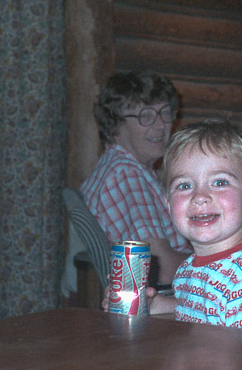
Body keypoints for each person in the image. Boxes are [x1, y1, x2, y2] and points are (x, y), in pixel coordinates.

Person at [146, 118, 242, 335]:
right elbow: (197, 312)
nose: (200, 197)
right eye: (184, 185)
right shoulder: (189, 268)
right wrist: (152, 305)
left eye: (219, 182)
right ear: (168, 205)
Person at [80, 71, 192, 284]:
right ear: (114, 125)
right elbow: (163, 270)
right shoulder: (126, 175)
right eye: (146, 116)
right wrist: (221, 265)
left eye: (165, 113)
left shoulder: (125, 168)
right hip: (167, 300)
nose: (160, 125)